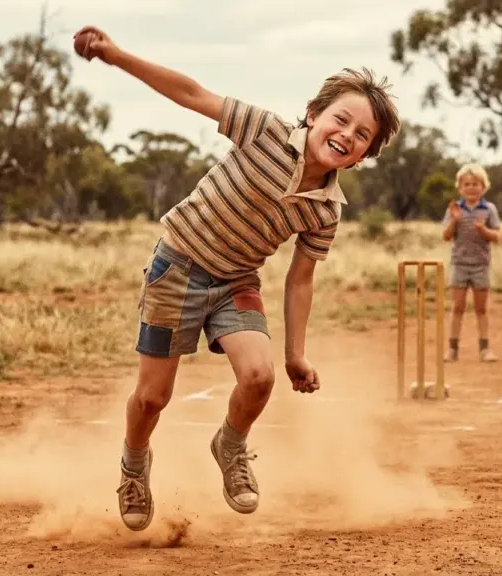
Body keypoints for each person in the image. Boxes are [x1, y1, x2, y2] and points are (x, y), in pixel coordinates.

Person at [73, 25, 402, 531]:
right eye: (341, 120)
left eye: (362, 136)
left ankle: (230, 444)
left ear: (366, 154)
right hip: (177, 267)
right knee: (152, 398)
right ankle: (134, 465)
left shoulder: (327, 210)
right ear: (313, 115)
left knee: (259, 377)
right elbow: (191, 94)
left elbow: (300, 279)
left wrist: (295, 353)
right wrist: (116, 56)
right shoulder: (262, 129)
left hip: (236, 282)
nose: (347, 136)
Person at [441, 163, 501, 363]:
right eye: (467, 184)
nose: (471, 187)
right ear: (460, 187)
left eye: (475, 184)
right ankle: (452, 349)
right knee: (457, 307)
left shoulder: (489, 209)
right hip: (459, 264)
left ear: (483, 186)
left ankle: (485, 349)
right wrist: (454, 220)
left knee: (481, 309)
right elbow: (446, 236)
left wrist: (484, 230)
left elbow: (496, 236)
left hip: (481, 264)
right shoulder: (455, 208)